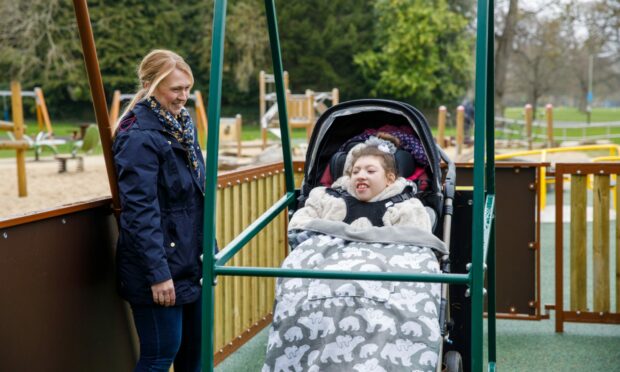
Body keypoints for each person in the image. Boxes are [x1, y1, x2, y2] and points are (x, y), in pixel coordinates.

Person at [112, 49, 205, 372]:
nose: (184, 97)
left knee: (193, 355)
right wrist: (158, 274)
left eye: (187, 88)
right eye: (176, 89)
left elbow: (196, 197)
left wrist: (209, 248)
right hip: (158, 266)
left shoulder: (181, 126)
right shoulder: (138, 135)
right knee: (159, 357)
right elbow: (140, 212)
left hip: (189, 261)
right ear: (151, 85)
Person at [289, 133, 432, 232]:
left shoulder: (405, 208)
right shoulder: (327, 199)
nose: (360, 176)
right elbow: (299, 224)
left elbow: (417, 244)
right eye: (355, 172)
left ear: (389, 179)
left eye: (370, 171)